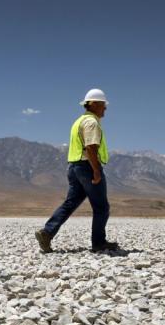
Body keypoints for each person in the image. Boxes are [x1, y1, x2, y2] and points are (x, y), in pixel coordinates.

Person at [35, 88, 119, 254]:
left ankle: (47, 232)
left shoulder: (78, 121)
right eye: (103, 105)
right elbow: (90, 147)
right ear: (94, 104)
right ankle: (99, 243)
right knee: (101, 207)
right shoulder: (91, 122)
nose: (105, 109)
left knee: (70, 203)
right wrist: (96, 171)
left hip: (74, 167)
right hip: (87, 167)